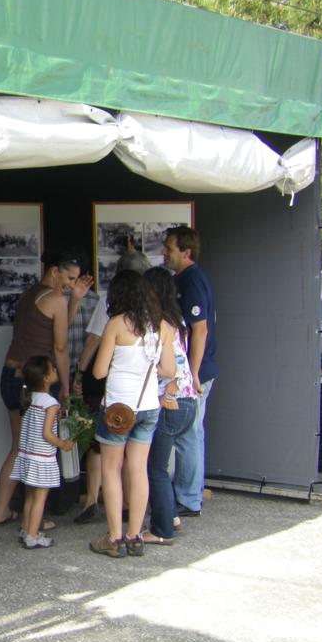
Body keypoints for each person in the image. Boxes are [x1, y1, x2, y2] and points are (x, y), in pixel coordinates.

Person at [0, 252, 92, 526]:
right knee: (39, 452)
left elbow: (56, 326)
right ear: (54, 271)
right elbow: (60, 347)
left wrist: (75, 300)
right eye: (69, 278)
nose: (71, 284)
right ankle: (33, 521)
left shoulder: (31, 294)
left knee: (19, 447)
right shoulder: (56, 298)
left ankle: (2, 510)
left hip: (10, 375)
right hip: (34, 382)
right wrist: (65, 385)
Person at [88, 270, 176, 559]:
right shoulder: (163, 327)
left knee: (111, 470)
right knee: (138, 470)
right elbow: (169, 370)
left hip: (118, 410)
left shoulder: (116, 324)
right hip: (148, 406)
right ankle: (135, 536)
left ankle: (114, 538)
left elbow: (99, 371)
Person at [71, 246, 153, 523]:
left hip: (110, 386)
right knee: (135, 459)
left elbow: (94, 341)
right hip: (144, 394)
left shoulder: (112, 304)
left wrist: (79, 372)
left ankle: (93, 501)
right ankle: (131, 511)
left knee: (100, 446)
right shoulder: (152, 307)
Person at [163, 226, 218, 518]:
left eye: (169, 248)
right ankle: (187, 494)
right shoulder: (184, 279)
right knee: (189, 433)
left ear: (186, 252)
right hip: (191, 372)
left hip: (196, 373)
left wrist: (193, 375)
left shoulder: (192, 280)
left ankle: (188, 497)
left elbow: (200, 330)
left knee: (190, 434)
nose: (164, 253)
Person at [143, 266, 198, 546]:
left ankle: (162, 530)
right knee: (161, 466)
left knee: (156, 468)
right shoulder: (177, 321)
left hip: (170, 402)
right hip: (188, 402)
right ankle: (172, 516)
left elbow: (168, 369)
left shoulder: (158, 324)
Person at [12, 356, 74, 549]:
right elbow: (47, 434)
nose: (56, 371)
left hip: (27, 455)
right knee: (40, 498)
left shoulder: (31, 398)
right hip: (42, 458)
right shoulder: (50, 403)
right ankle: (33, 535)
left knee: (30, 496)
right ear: (46, 378)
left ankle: (25, 528)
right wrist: (63, 444)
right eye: (53, 369)